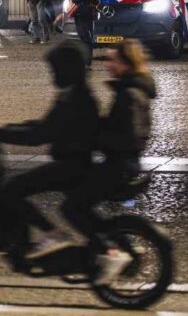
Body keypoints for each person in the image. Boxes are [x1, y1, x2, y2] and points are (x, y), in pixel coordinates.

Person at [0, 41, 99, 259]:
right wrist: (8, 128)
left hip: (71, 166)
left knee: (10, 189)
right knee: (16, 188)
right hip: (71, 163)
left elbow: (40, 135)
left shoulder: (75, 99)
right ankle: (22, 242)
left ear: (66, 70)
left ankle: (52, 234)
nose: (52, 76)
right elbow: (45, 125)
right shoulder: (74, 93)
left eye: (54, 70)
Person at [61, 39, 156, 285]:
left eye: (112, 60)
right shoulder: (131, 89)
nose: (107, 65)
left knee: (72, 206)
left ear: (125, 63)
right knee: (81, 199)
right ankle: (117, 243)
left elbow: (128, 137)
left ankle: (111, 252)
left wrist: (95, 139)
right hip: (122, 163)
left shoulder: (129, 94)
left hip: (119, 166)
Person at [71, 0, 100, 65]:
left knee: (90, 39)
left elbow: (96, 2)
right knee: (85, 38)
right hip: (80, 15)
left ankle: (87, 62)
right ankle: (84, 60)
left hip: (90, 15)